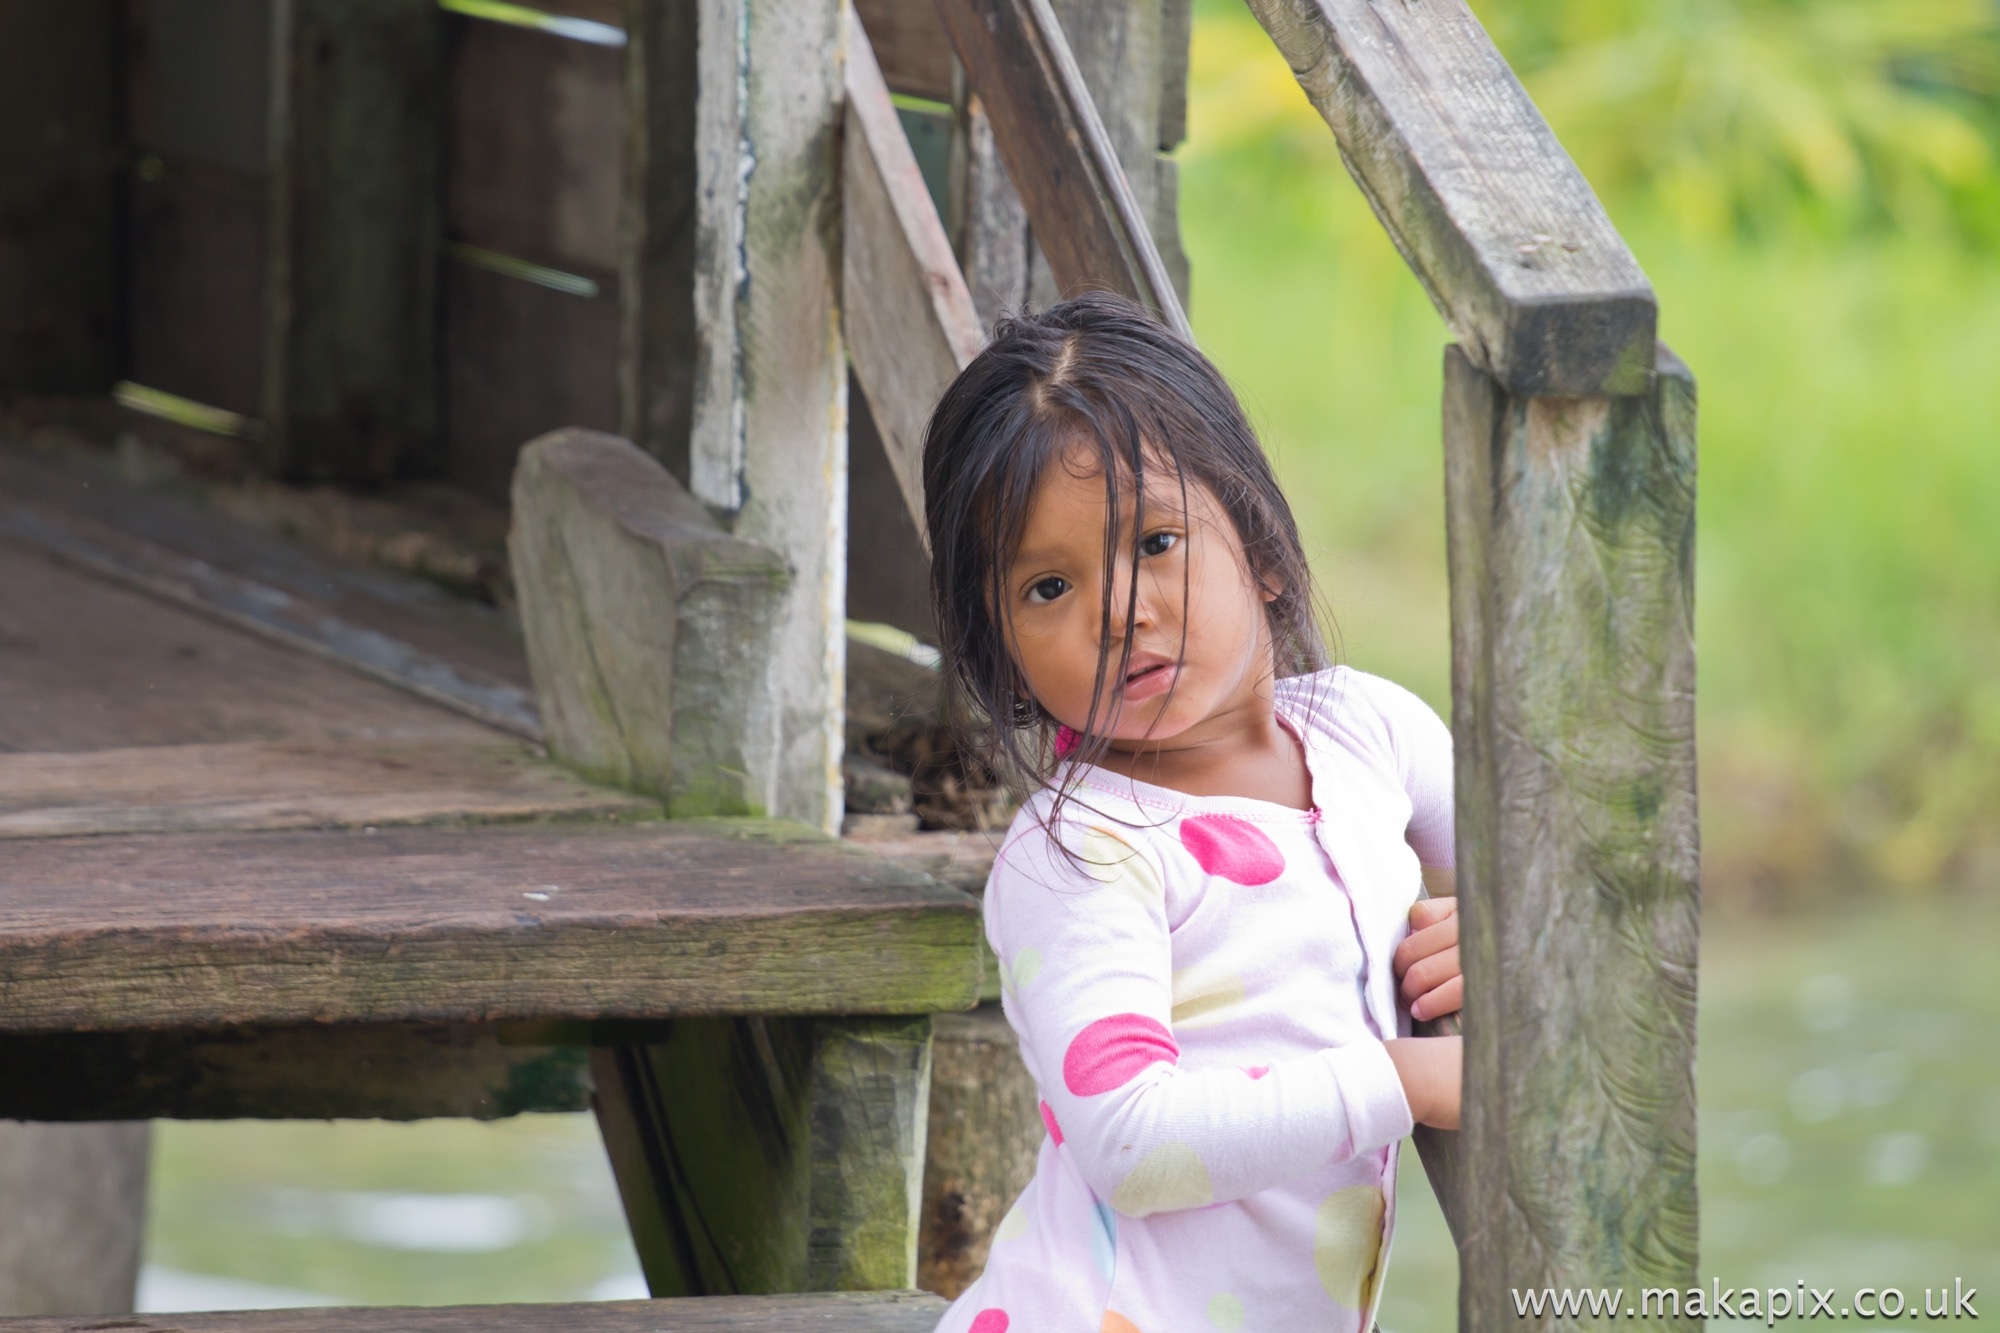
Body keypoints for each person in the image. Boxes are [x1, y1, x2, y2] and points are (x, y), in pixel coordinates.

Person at [922, 292, 1464, 1333]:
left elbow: (1555, 885)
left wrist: (1500, 954)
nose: (1117, 610)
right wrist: (1404, 1077)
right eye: (1045, 588)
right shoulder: (1079, 854)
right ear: (1007, 660)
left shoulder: (1367, 732)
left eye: (1157, 540)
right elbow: (1129, 1140)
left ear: (1259, 548)